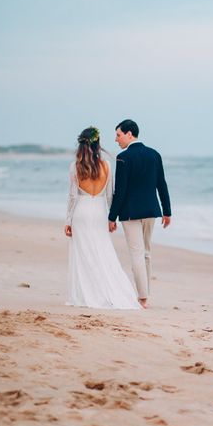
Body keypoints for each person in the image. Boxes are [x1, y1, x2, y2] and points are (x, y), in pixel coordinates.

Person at [64, 127, 142, 309]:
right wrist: (111, 218)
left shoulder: (75, 166)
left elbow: (73, 196)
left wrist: (68, 221)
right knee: (103, 251)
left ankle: (85, 294)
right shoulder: (106, 165)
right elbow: (109, 195)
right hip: (99, 211)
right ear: (97, 144)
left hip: (81, 212)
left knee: (83, 254)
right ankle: (107, 291)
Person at [108, 119, 171, 309]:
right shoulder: (154, 155)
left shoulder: (123, 157)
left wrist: (112, 217)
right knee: (146, 252)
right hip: (151, 211)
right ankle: (146, 294)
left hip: (130, 213)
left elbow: (120, 191)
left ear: (129, 134)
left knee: (136, 253)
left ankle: (142, 298)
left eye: (118, 135)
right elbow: (162, 184)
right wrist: (167, 211)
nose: (116, 139)